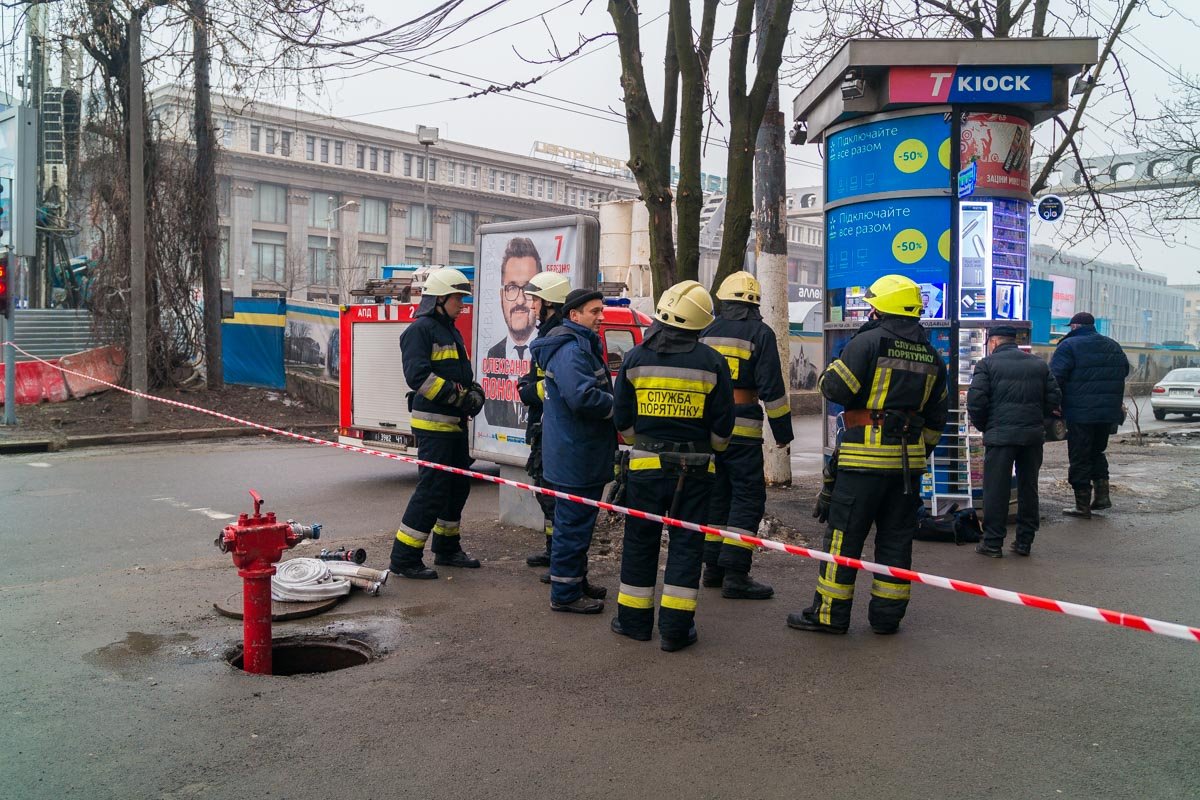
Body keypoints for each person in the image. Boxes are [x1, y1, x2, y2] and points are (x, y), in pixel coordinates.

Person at [788, 274, 947, 636]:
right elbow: (937, 417)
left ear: (880, 308)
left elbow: (834, 388)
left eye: (873, 304)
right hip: (907, 468)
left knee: (844, 540)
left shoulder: (867, 343)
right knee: (895, 540)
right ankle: (887, 618)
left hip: (862, 464)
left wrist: (835, 364)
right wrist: (920, 451)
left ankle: (829, 615)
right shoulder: (931, 354)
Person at [611, 281, 734, 652]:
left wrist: (640, 445)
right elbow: (723, 425)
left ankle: (633, 623)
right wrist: (708, 449)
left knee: (639, 542)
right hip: (695, 470)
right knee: (686, 545)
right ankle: (676, 631)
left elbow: (621, 419)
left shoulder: (634, 358)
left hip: (645, 467)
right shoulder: (711, 362)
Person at [699, 271, 794, 600]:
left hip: (708, 428)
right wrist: (782, 433)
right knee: (747, 498)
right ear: (754, 304)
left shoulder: (706, 331)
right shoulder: (760, 333)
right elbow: (772, 390)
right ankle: (736, 574)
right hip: (742, 430)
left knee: (716, 497)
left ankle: (712, 568)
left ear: (723, 301)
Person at [390, 268, 485, 580]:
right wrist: (460, 397)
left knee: (456, 487)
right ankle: (404, 557)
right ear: (441, 298)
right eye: (458, 298)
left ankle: (447, 548)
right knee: (431, 489)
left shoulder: (449, 329)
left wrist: (473, 391)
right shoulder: (421, 330)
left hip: (454, 425)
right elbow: (418, 377)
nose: (462, 304)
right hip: (433, 425)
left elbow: (458, 372)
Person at [530, 288, 616, 614]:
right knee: (572, 526)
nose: (601, 316)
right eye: (594, 311)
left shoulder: (579, 347)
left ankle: (575, 581)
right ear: (574, 315)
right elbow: (583, 398)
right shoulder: (571, 352)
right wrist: (620, 408)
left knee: (579, 525)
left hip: (579, 453)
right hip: (575, 456)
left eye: (600, 310)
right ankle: (565, 595)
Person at [966, 326, 1062, 557]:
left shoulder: (986, 365)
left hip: (1000, 437)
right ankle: (1024, 542)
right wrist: (1038, 419)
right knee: (1029, 488)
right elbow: (1054, 397)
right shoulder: (1038, 364)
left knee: (996, 489)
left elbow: (976, 401)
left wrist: (985, 426)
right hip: (1031, 437)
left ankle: (992, 543)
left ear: (994, 342)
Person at [517, 271, 572, 574]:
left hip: (551, 425)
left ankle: (561, 560)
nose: (533, 306)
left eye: (536, 300)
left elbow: (555, 385)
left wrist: (529, 390)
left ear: (549, 303)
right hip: (543, 424)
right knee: (545, 490)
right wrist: (528, 384)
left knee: (550, 491)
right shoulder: (548, 334)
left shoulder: (558, 336)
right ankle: (554, 551)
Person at [1050, 311, 1129, 518]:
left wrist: (1053, 405)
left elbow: (1055, 378)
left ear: (1074, 326)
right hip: (1107, 412)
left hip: (1080, 412)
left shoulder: (1068, 346)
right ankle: (1102, 497)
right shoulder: (1112, 344)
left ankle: (1082, 505)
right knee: (1097, 451)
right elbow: (1124, 370)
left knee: (1079, 455)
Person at [483, 237, 542, 429]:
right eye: (512, 288)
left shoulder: (546, 350)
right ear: (502, 296)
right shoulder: (493, 354)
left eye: (528, 289)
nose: (519, 299)